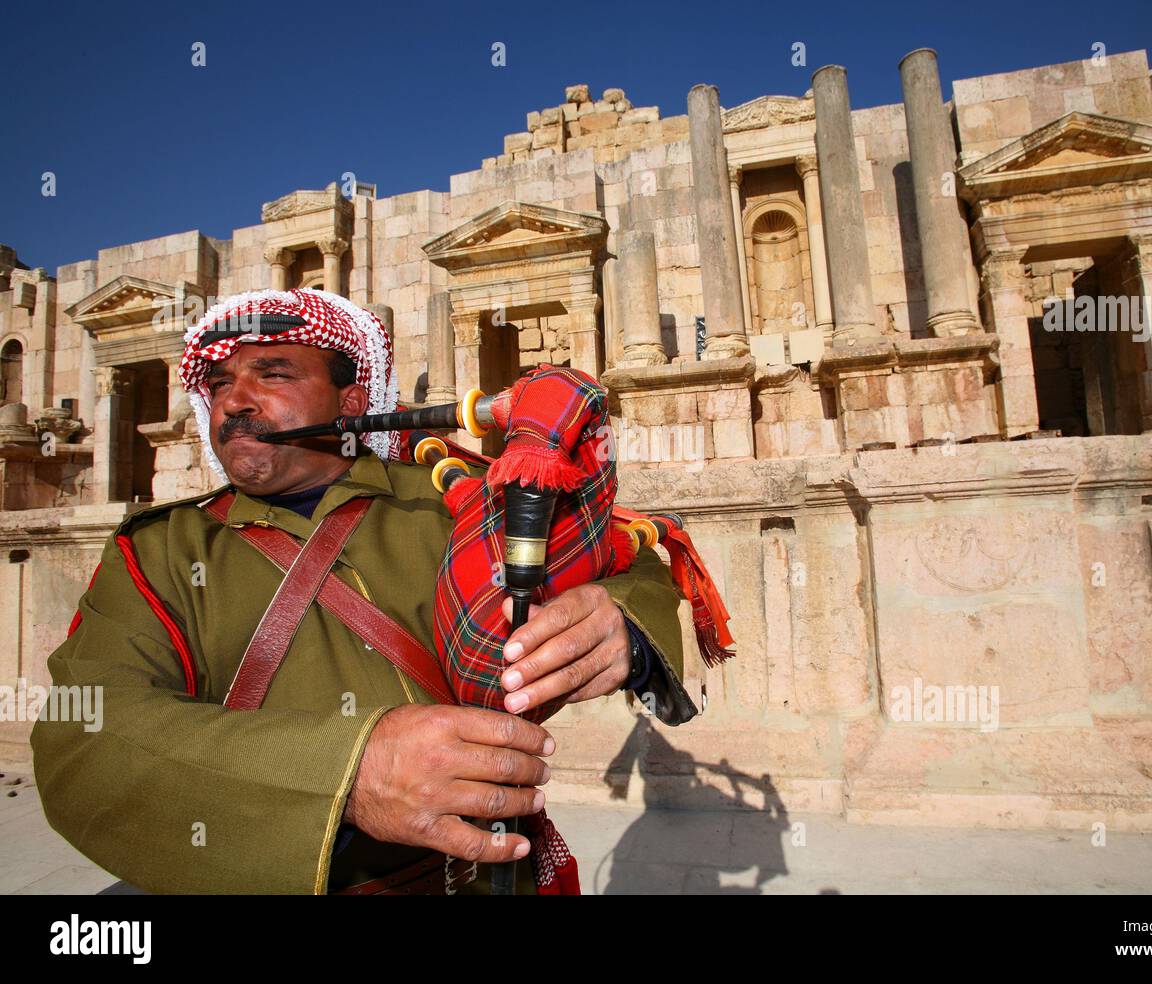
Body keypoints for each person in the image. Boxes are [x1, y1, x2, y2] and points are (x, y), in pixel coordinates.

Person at [30, 287, 695, 895]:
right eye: (222, 383)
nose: (234, 400)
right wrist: (343, 775)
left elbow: (625, 556)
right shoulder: (157, 551)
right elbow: (86, 735)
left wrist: (622, 625)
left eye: (274, 372)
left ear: (350, 402)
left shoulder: (452, 498)